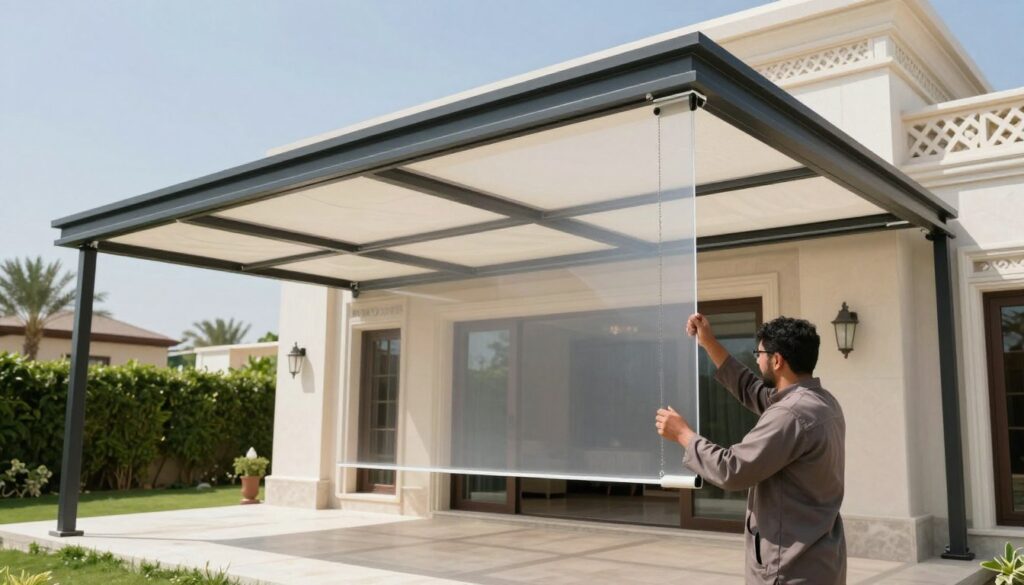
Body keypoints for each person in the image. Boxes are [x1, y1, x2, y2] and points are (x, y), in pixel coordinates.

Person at [655, 314, 846, 584]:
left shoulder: (791, 414)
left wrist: (683, 435)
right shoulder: (822, 402)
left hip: (789, 568)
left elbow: (732, 470)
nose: (756, 359)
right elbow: (750, 388)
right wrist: (709, 343)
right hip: (818, 561)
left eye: (759, 353)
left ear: (777, 360)